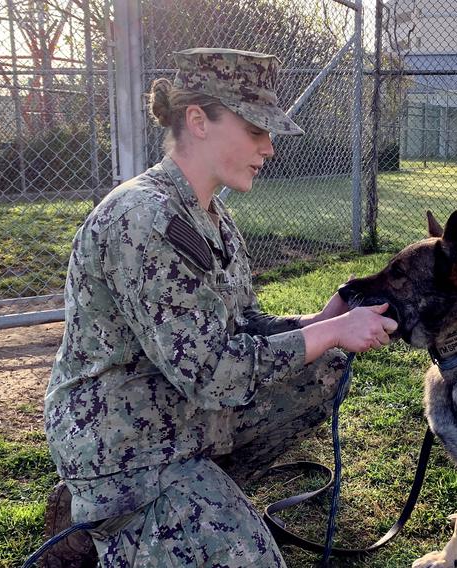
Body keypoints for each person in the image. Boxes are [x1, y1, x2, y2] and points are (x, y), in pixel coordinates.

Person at [42, 47, 397, 568]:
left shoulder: (212, 217)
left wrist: (323, 322)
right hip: (125, 445)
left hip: (177, 415)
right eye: (256, 131)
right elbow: (212, 373)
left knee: (323, 365)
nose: (269, 148)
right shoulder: (145, 219)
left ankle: (193, 499)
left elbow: (243, 327)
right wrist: (331, 329)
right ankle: (109, 512)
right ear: (197, 121)